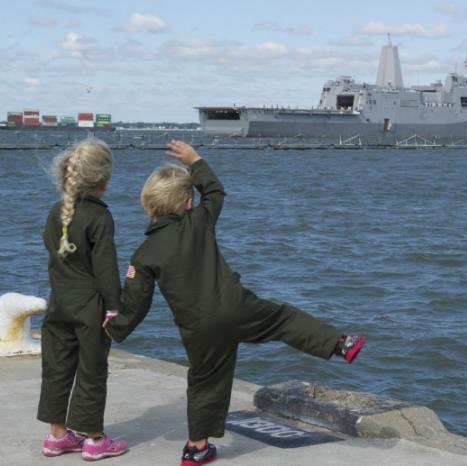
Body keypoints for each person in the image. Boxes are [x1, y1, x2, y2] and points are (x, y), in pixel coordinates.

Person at [106, 140, 366, 466]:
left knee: (204, 382)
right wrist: (196, 161)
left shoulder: (144, 254)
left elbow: (136, 304)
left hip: (198, 328)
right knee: (284, 320)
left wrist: (113, 329)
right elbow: (215, 193)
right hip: (236, 308)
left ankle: (195, 448)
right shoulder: (199, 221)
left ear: (149, 205)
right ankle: (341, 344)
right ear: (188, 202)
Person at [37, 138, 127, 461]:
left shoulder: (55, 213)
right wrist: (115, 307)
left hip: (59, 303)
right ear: (103, 179)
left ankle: (57, 435)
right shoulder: (100, 217)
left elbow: (55, 256)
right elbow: (106, 269)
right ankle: (94, 439)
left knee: (57, 368)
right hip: (91, 308)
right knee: (92, 370)